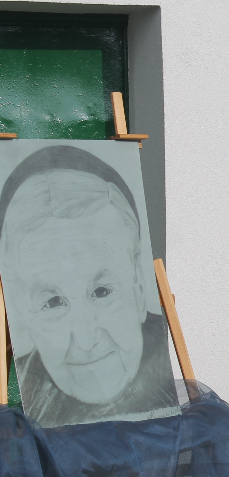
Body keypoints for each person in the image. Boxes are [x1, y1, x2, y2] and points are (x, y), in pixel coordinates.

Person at [0, 145, 178, 428]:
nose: (85, 340)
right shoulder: (32, 389)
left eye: (101, 291)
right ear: (23, 312)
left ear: (139, 285)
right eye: (54, 302)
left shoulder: (167, 381)